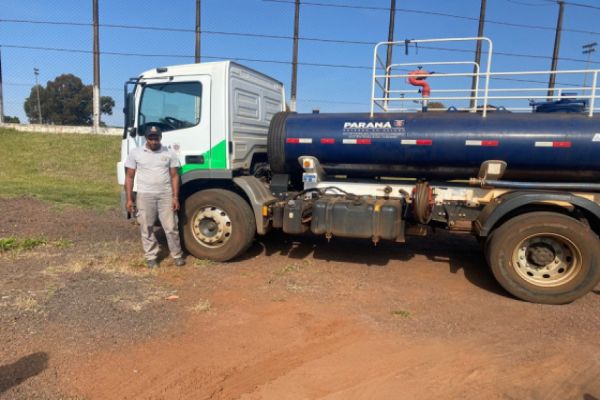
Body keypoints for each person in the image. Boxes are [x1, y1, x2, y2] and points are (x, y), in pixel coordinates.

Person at [125, 125, 186, 268]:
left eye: (156, 138)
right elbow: (129, 177)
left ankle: (177, 255)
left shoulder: (169, 153)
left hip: (165, 195)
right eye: (151, 138)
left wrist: (175, 197)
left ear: (160, 138)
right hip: (145, 195)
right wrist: (129, 199)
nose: (154, 141)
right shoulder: (136, 153)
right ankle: (151, 257)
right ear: (146, 138)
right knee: (147, 227)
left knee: (171, 227)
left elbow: (175, 176)